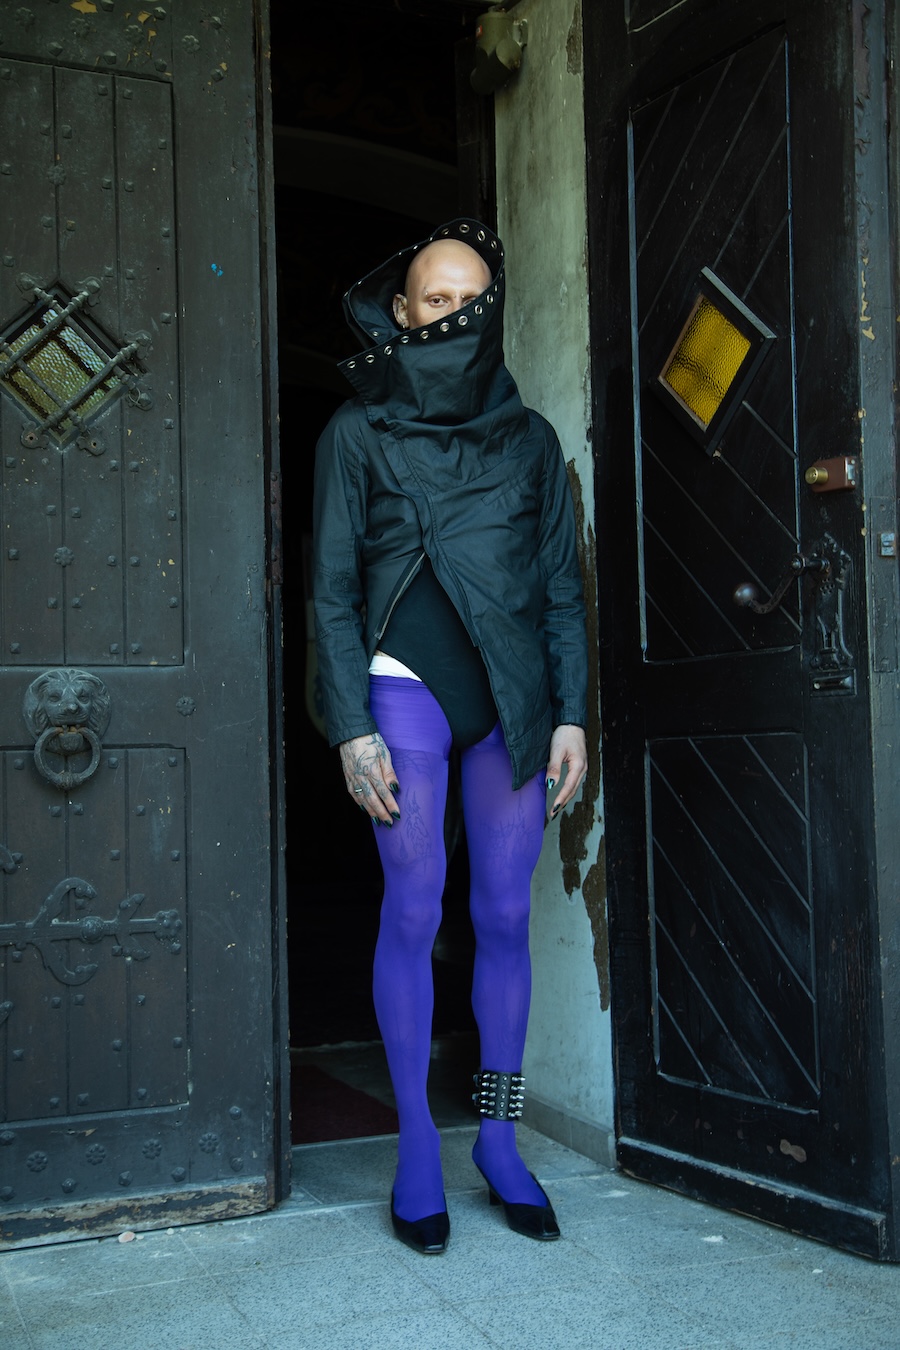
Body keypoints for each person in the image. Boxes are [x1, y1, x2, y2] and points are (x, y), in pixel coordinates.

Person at [313, 219, 588, 1255]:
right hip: (403, 692)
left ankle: (500, 1142)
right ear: (402, 311)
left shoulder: (532, 441)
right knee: (416, 903)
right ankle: (419, 1145)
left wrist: (571, 713)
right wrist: (350, 729)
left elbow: (561, 591)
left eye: (473, 301)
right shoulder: (356, 433)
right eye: (437, 301)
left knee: (506, 916)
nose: (455, 317)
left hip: (511, 701)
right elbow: (330, 592)